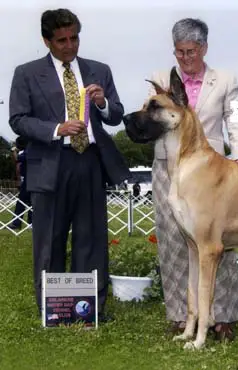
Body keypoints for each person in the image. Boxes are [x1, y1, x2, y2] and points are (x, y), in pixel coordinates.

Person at [9, 8, 130, 320]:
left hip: (90, 161)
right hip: (50, 162)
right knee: (49, 239)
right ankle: (52, 310)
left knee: (91, 238)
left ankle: (89, 309)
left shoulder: (98, 70)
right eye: (61, 40)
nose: (70, 45)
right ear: (46, 41)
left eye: (74, 37)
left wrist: (103, 103)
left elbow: (116, 115)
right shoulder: (26, 73)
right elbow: (18, 120)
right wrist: (56, 129)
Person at [149, 18, 238, 341]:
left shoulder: (225, 80)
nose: (185, 58)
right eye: (179, 52)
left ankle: (224, 316)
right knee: (173, 243)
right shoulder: (163, 79)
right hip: (169, 167)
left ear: (204, 48)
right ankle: (182, 315)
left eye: (191, 51)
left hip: (212, 169)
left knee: (219, 244)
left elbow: (236, 119)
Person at [9, 136, 33, 230]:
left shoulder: (28, 151)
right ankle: (31, 223)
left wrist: (14, 150)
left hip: (28, 180)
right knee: (31, 203)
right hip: (32, 180)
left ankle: (16, 223)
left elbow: (16, 159)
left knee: (21, 203)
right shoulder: (31, 150)